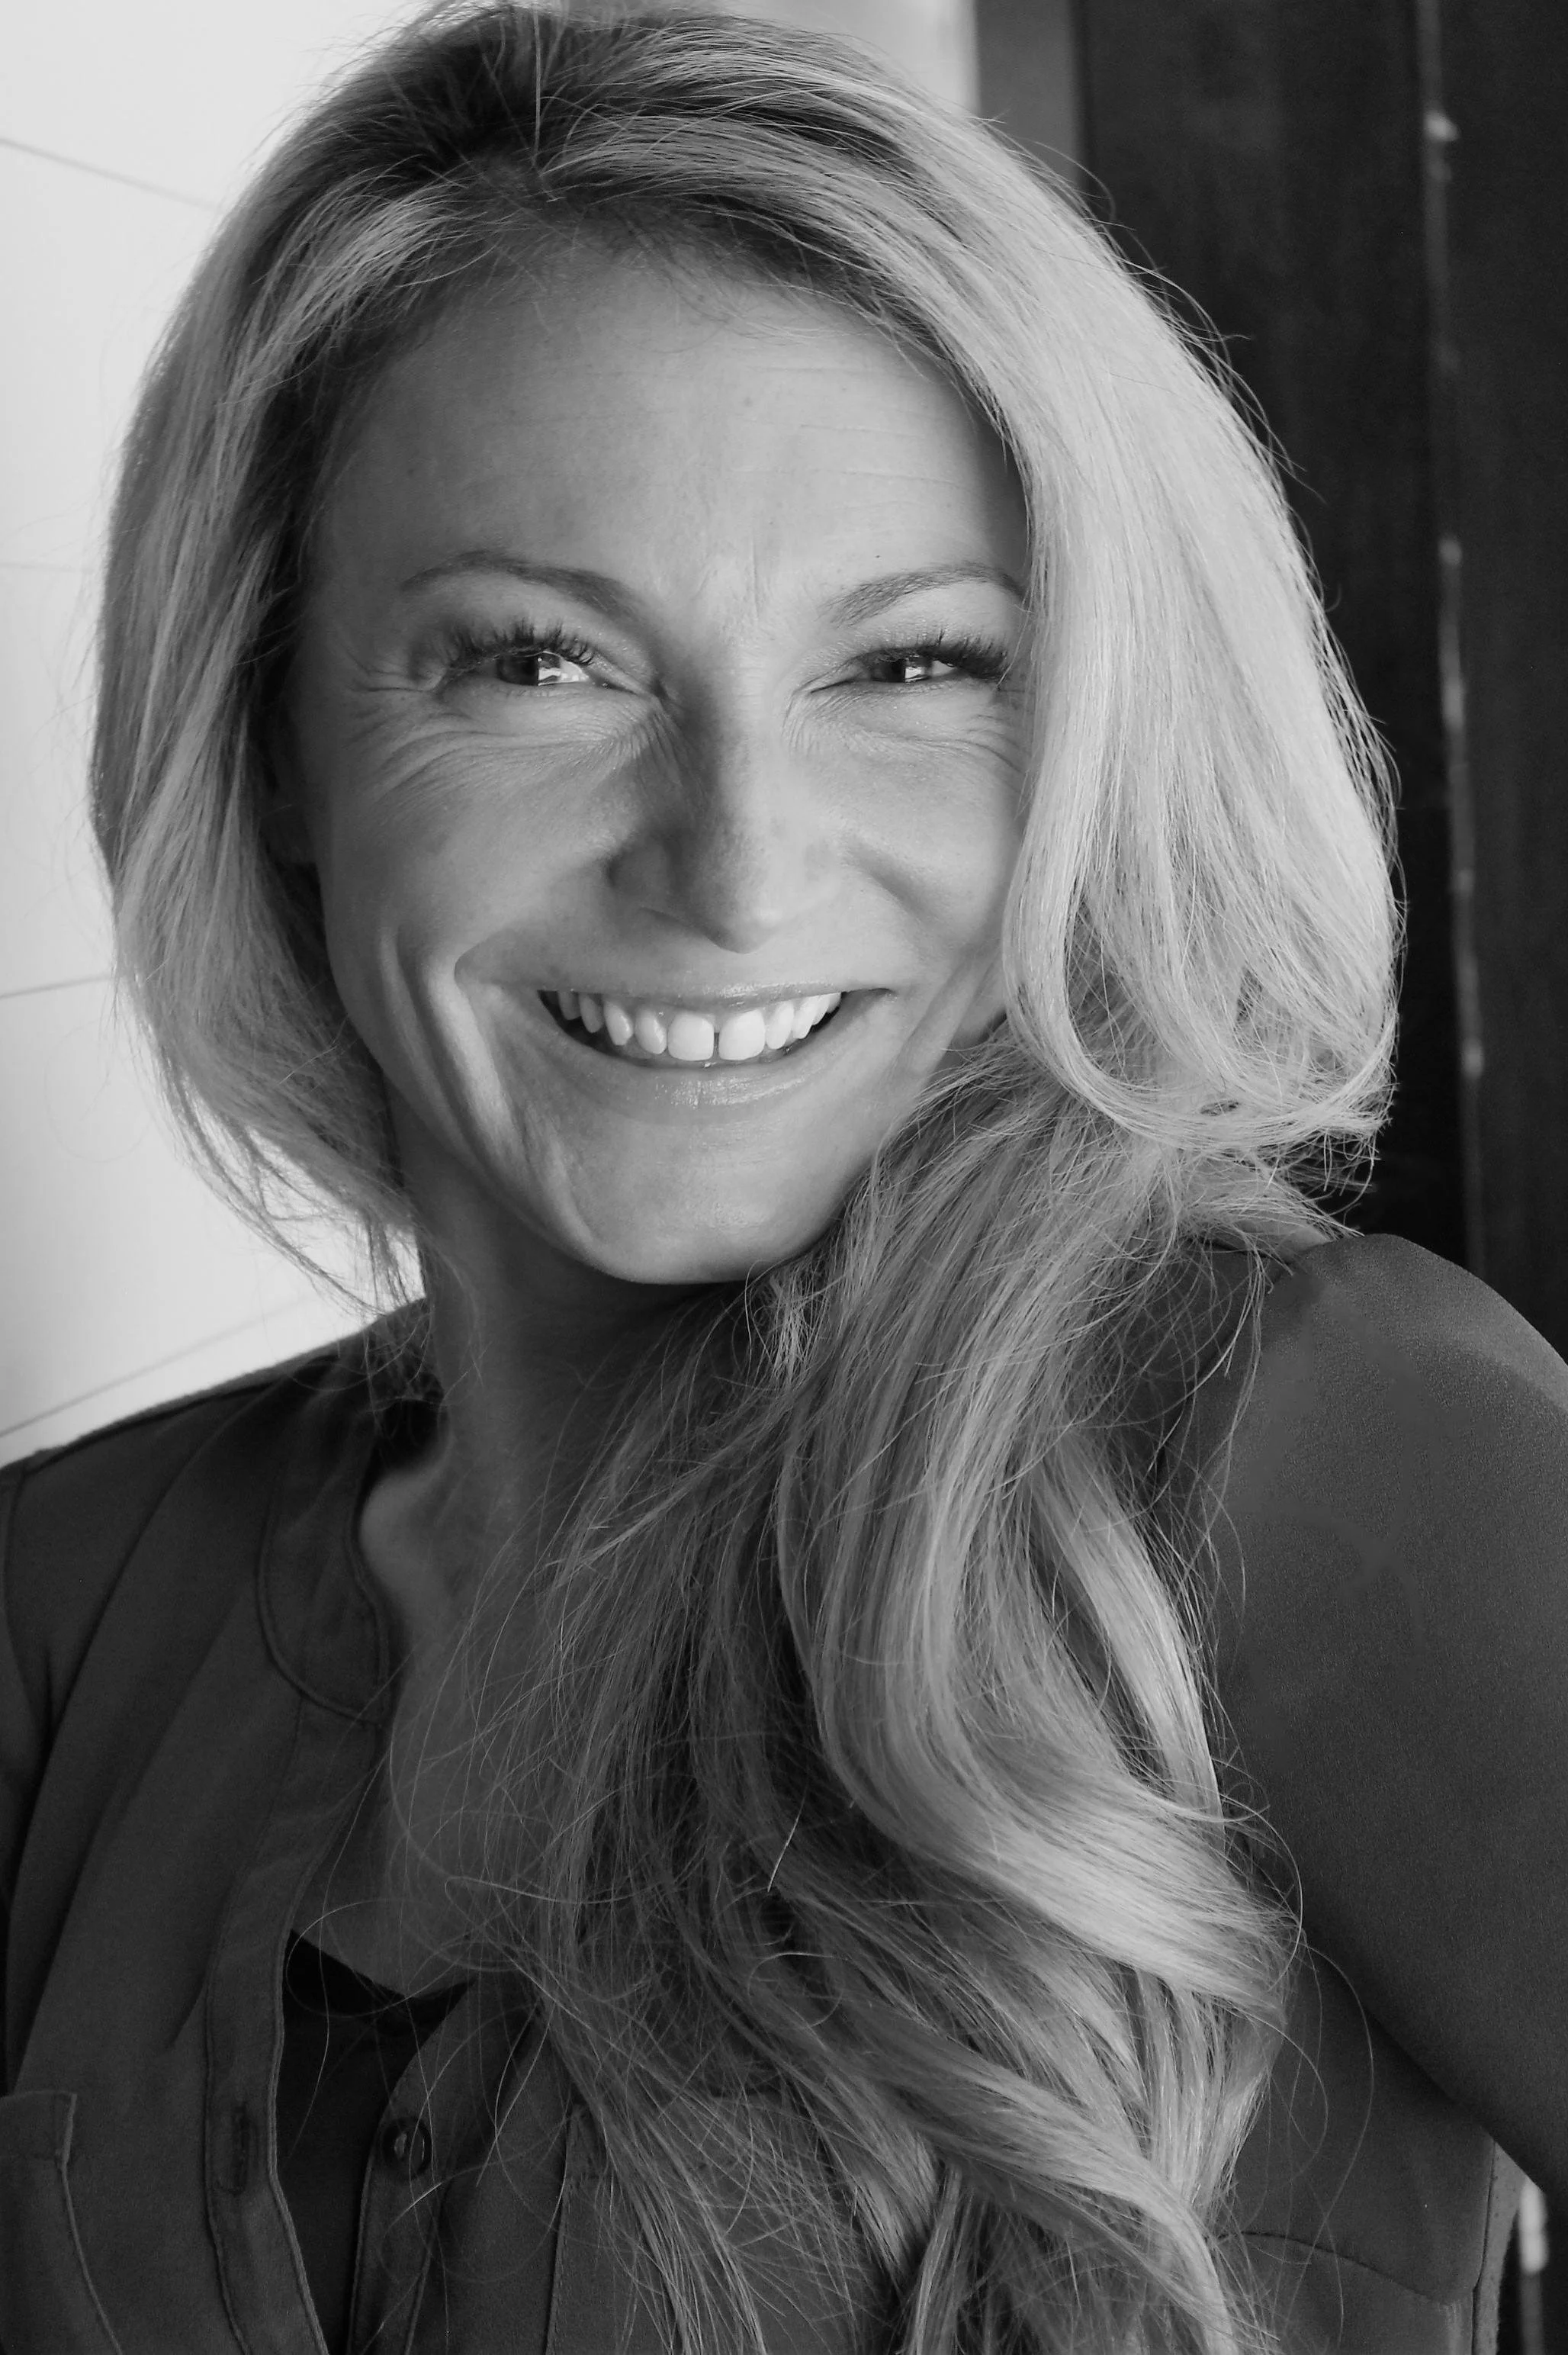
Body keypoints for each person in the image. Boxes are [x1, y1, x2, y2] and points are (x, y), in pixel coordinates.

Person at [0, 4, 1560, 2350]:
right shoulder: (74, 1590)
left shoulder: (1315, 1445)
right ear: (269, 731)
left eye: (911, 664)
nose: (733, 868)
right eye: (537, 658)